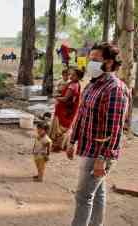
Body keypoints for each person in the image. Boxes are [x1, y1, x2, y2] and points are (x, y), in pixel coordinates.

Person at [67, 43, 130, 226]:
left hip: (99, 152)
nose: (90, 63)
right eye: (90, 59)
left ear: (109, 63)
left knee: (83, 196)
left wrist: (102, 158)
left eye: (95, 60)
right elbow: (82, 114)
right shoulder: (92, 85)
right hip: (88, 147)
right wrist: (72, 141)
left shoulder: (114, 89)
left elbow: (113, 128)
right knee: (97, 192)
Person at [50, 68, 83, 152]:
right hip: (68, 110)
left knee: (60, 129)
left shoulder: (73, 86)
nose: (71, 76)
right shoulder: (75, 84)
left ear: (78, 77)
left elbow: (65, 99)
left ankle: (58, 146)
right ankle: (63, 145)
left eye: (73, 75)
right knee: (65, 128)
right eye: (71, 74)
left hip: (65, 111)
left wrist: (56, 97)